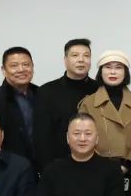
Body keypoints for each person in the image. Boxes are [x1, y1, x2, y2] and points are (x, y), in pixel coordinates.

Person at [78, 50, 131, 196]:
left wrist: (127, 165)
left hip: (127, 173)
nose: (113, 72)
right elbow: (82, 137)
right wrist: (101, 166)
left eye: (118, 67)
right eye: (108, 67)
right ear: (100, 72)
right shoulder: (88, 103)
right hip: (95, 171)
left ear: (126, 72)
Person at [33, 38, 99, 171]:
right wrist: (48, 170)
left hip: (96, 167)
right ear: (65, 60)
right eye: (75, 55)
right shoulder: (46, 91)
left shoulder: (100, 90)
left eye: (86, 56)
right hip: (58, 167)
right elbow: (41, 138)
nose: (81, 60)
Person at [0, 46, 40, 162]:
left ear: (32, 67)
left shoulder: (42, 94)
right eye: (14, 65)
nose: (21, 69)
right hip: (12, 167)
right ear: (3, 70)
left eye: (26, 64)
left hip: (43, 165)